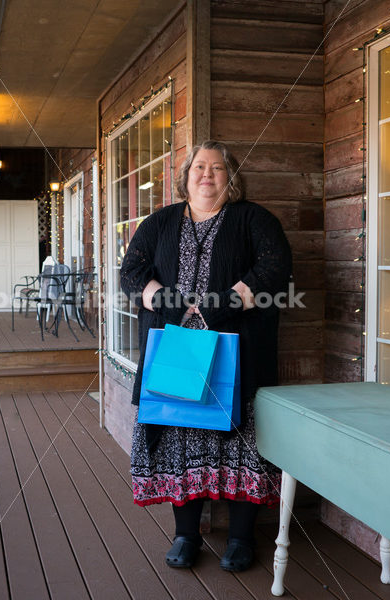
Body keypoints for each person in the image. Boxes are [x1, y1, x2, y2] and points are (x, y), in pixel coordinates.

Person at [120, 140, 292, 571]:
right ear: (186, 175)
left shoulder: (255, 220)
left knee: (241, 443)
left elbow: (275, 269)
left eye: (217, 168)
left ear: (230, 176)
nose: (206, 174)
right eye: (199, 166)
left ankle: (240, 540)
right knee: (181, 436)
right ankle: (185, 536)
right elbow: (132, 271)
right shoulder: (159, 223)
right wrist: (165, 300)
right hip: (176, 352)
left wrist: (220, 303)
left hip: (240, 354)